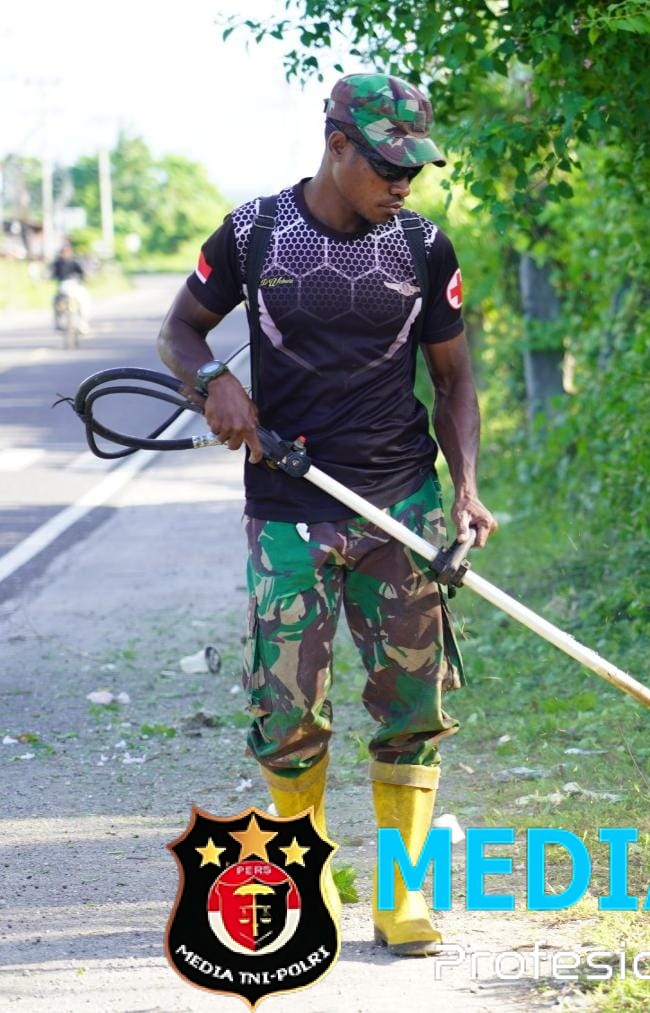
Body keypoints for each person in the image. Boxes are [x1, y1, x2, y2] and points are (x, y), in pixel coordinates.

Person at [157, 72, 498, 957]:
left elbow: (455, 381)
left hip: (401, 509)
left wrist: (463, 489)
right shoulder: (253, 233)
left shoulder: (425, 247)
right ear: (336, 144)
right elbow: (178, 333)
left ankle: (400, 894)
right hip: (287, 510)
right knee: (288, 710)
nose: (403, 184)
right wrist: (214, 384)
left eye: (414, 168)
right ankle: (306, 880)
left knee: (411, 706)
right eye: (388, 164)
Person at [51, 241, 90, 335]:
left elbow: (82, 273)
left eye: (67, 251)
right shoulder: (57, 263)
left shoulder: (75, 262)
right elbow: (52, 274)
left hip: (75, 286)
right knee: (55, 301)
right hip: (62, 287)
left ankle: (83, 324)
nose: (65, 253)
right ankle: (58, 321)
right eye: (63, 252)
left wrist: (85, 277)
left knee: (84, 301)